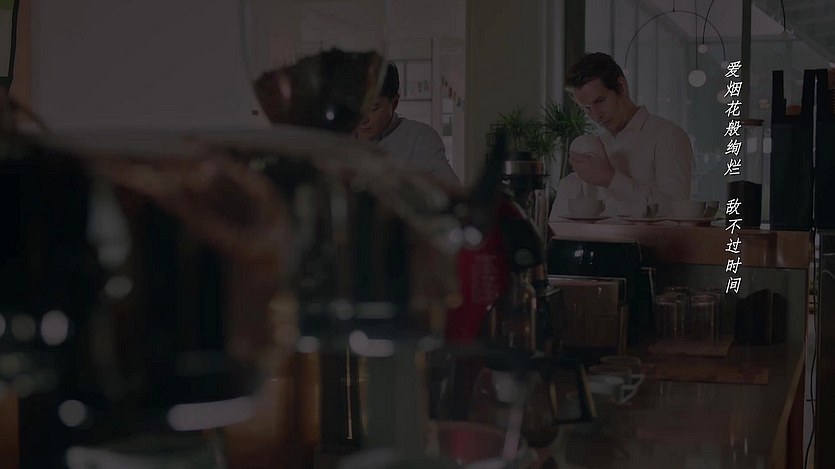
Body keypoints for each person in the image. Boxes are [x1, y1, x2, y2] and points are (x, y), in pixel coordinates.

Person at [550, 52, 693, 219]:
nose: (595, 116)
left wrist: (611, 179)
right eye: (586, 108)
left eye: (600, 101)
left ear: (622, 87)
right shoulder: (598, 144)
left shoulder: (667, 135)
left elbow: (677, 209)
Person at [355, 62, 461, 186]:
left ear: (394, 103)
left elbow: (450, 190)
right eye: (354, 106)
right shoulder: (338, 135)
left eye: (373, 108)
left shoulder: (419, 139)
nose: (361, 119)